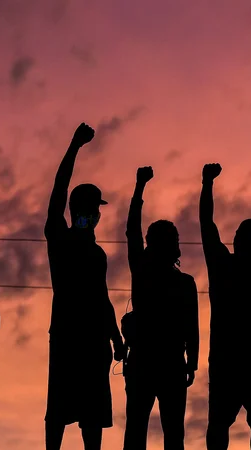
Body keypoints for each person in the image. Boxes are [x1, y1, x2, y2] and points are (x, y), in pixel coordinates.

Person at [44, 123, 125, 450]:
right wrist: (75, 145)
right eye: (92, 210)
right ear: (85, 212)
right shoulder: (61, 239)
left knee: (90, 412)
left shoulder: (96, 253)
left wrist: (115, 338)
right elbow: (58, 189)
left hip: (91, 339)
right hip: (68, 334)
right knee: (61, 407)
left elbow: (102, 299)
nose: (95, 216)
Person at [200, 163, 251, 450]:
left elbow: (207, 225)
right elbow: (207, 226)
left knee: (238, 425)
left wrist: (207, 183)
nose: (235, 238)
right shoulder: (233, 269)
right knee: (239, 425)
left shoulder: (226, 267)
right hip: (242, 361)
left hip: (235, 360)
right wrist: (206, 183)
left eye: (240, 235)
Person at [123, 166, 199, 450]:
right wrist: (192, 360)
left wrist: (140, 186)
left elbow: (131, 231)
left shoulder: (143, 271)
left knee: (140, 432)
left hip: (151, 361)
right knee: (170, 434)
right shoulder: (178, 281)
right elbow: (192, 326)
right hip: (165, 362)